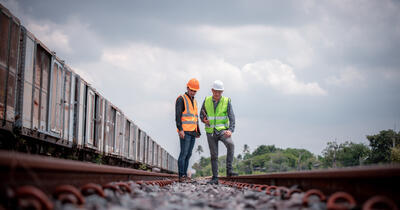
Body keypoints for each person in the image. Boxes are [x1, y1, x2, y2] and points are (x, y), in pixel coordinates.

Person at [200, 80, 238, 185]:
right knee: (214, 155)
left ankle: (229, 171)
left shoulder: (226, 101)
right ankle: (215, 177)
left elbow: (232, 117)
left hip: (222, 130)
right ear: (212, 90)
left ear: (222, 92)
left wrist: (230, 130)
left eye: (219, 92)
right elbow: (201, 115)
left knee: (231, 144)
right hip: (210, 131)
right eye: (215, 91)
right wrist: (204, 120)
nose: (217, 94)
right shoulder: (206, 100)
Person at [175, 78, 201, 182]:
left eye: (195, 91)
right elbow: (178, 116)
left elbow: (195, 117)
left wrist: (197, 131)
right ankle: (181, 176)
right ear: (187, 88)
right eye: (191, 90)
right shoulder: (181, 99)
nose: (193, 92)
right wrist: (180, 129)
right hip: (185, 132)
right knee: (183, 153)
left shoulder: (194, 101)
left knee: (188, 154)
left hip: (193, 132)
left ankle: (184, 175)